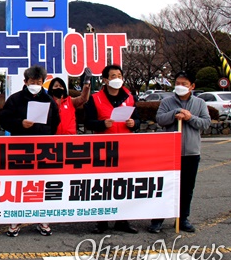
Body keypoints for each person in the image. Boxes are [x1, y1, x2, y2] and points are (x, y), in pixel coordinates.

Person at [0, 65, 60, 237]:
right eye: (32, 82)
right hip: (20, 147)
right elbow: (4, 119)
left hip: (43, 148)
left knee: (41, 184)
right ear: (25, 82)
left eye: (39, 82)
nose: (35, 84)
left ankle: (42, 218)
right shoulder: (15, 99)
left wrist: (45, 134)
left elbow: (55, 122)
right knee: (19, 183)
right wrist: (20, 124)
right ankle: (16, 218)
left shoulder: (49, 101)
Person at [148, 71, 210, 233]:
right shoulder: (167, 102)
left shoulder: (199, 103)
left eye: (184, 84)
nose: (180, 87)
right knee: (164, 186)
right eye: (178, 83)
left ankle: (183, 218)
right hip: (169, 151)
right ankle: (157, 220)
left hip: (190, 152)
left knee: (187, 188)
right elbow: (161, 119)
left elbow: (205, 123)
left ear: (192, 86)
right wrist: (175, 114)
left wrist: (190, 118)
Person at [84, 64, 140, 234]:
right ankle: (101, 221)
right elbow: (87, 122)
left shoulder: (130, 97)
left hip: (125, 147)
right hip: (103, 148)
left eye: (119, 76)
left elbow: (137, 120)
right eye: (113, 76)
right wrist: (102, 124)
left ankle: (122, 220)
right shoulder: (95, 99)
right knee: (103, 185)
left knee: (124, 184)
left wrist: (133, 124)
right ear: (105, 80)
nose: (117, 79)